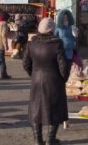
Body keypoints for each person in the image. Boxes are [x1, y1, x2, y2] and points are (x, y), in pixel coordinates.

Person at [23, 17, 69, 145]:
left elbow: (25, 63)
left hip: (37, 80)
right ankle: (50, 140)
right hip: (54, 80)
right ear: (52, 29)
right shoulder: (57, 44)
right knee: (55, 108)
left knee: (36, 109)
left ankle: (38, 140)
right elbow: (63, 66)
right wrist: (63, 79)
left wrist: (33, 74)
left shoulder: (31, 43)